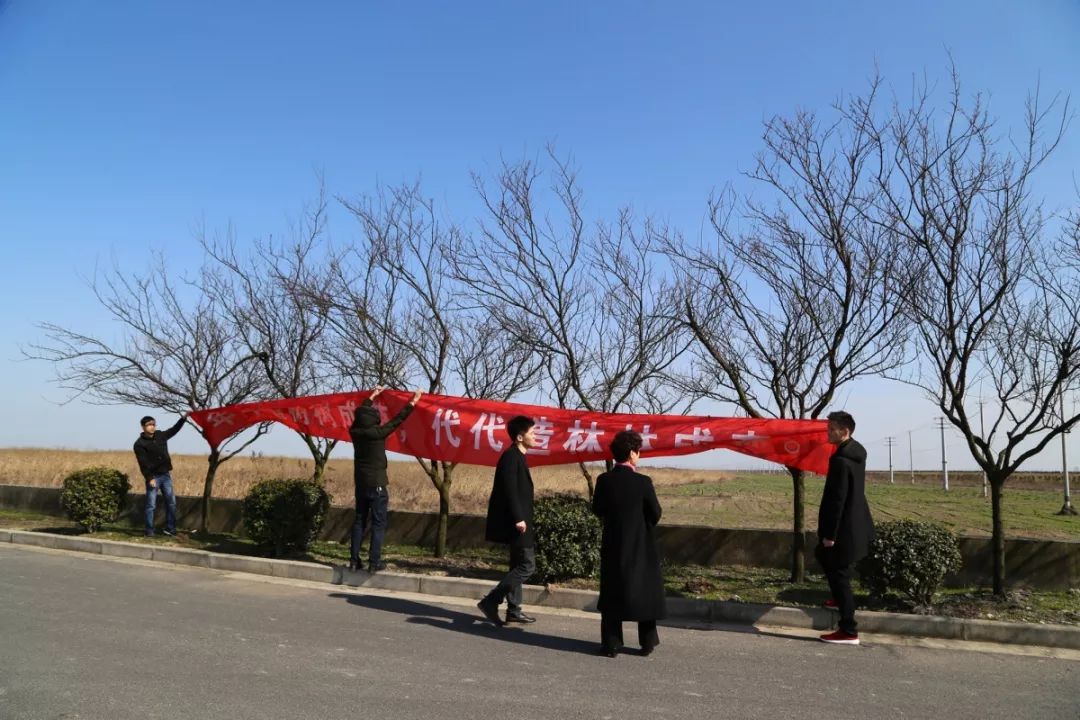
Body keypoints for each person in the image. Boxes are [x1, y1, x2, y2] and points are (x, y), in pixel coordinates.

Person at [591, 430, 666, 657]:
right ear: (633, 453)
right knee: (644, 591)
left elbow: (598, 510)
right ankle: (647, 642)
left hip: (613, 542)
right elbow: (655, 512)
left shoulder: (604, 480)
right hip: (640, 544)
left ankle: (611, 643)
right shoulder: (643, 482)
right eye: (638, 452)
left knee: (613, 591)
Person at [816, 410, 875, 645]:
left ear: (845, 431)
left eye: (832, 429)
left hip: (843, 528)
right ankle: (839, 598)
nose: (828, 433)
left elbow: (836, 500)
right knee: (823, 557)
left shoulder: (841, 460)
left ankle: (849, 630)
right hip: (855, 522)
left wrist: (830, 534)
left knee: (838, 574)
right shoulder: (855, 453)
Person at [349, 386, 423, 573]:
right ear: (374, 420)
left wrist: (372, 396)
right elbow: (398, 420)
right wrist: (413, 401)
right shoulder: (378, 433)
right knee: (378, 523)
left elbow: (362, 412)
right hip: (377, 486)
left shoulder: (354, 431)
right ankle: (374, 563)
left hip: (361, 485)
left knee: (359, 521)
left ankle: (353, 560)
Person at [477, 415, 538, 626]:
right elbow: (509, 489)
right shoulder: (511, 457)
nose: (535, 436)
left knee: (517, 564)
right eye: (532, 433)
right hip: (518, 522)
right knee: (527, 566)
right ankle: (491, 601)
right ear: (520, 437)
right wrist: (518, 518)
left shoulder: (518, 456)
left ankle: (514, 610)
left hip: (520, 521)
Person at [133, 413, 188, 537]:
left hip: (165, 474)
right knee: (151, 505)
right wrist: (149, 478)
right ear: (143, 427)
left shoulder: (160, 435)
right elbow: (143, 463)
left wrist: (183, 419)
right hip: (153, 477)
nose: (152, 427)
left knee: (171, 502)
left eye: (153, 424)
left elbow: (174, 430)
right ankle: (149, 530)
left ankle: (170, 528)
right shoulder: (139, 444)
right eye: (149, 425)